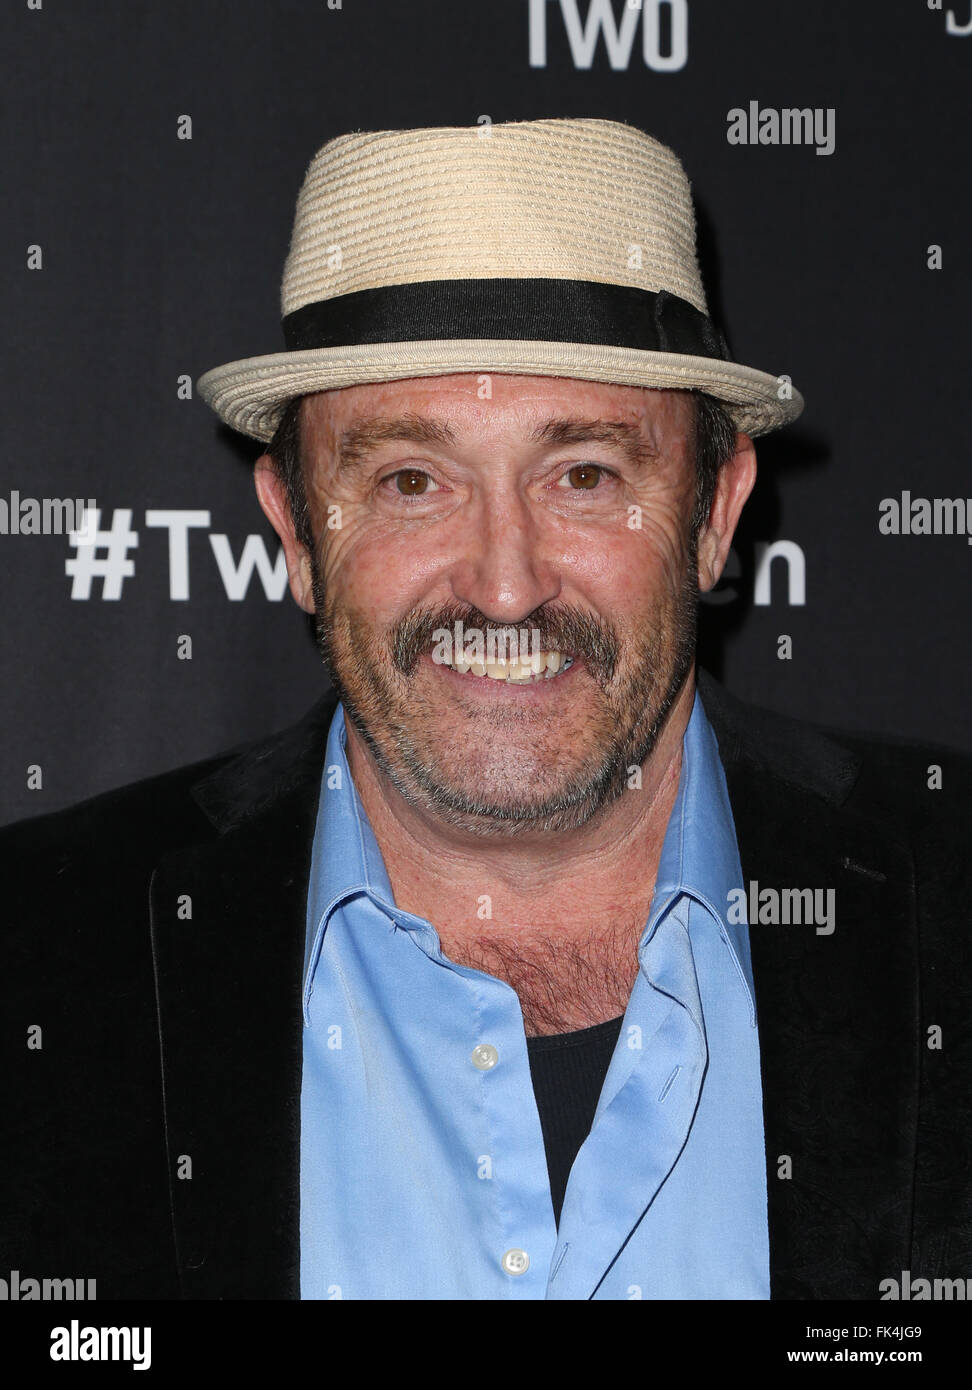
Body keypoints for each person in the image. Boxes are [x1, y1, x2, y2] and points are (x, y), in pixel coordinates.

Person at [2, 118, 969, 1301]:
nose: (505, 585)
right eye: (413, 480)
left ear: (716, 512)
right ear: (296, 530)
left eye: (585, 475)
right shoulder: (38, 958)